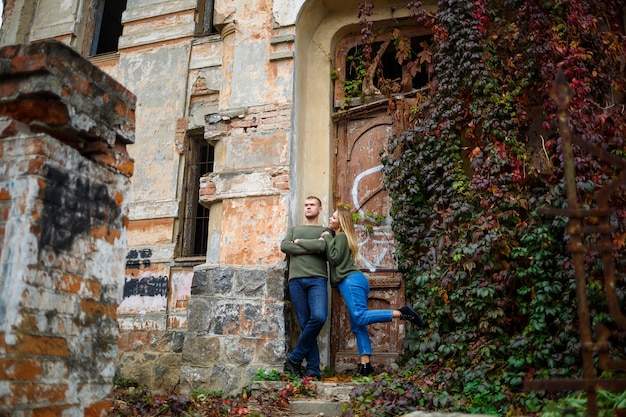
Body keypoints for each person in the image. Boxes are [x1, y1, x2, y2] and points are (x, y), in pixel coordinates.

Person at [321, 205, 424, 376]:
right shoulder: (341, 237)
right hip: (354, 281)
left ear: (341, 221)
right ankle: (365, 365)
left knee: (360, 316)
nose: (330, 219)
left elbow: (333, 257)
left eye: (333, 217)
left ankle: (402, 312)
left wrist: (326, 237)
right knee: (358, 325)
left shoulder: (339, 237)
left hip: (350, 281)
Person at [280, 196, 330, 379]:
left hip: (317, 279)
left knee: (318, 317)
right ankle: (313, 369)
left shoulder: (325, 230)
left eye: (312, 205)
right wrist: (312, 247)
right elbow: (285, 246)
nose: (308, 208)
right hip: (296, 280)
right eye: (306, 205)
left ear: (320, 208)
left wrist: (299, 243)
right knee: (305, 323)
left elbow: (323, 247)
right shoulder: (294, 230)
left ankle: (295, 358)